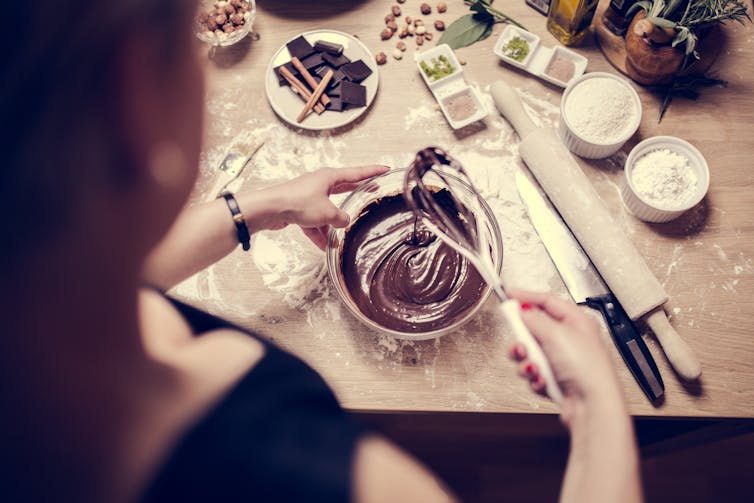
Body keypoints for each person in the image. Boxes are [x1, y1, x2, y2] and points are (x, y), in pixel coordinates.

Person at [0, 1, 642, 501]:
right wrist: (600, 412)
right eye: (195, 40)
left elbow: (125, 272)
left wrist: (255, 206)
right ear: (134, 86)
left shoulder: (47, 306)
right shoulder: (326, 478)